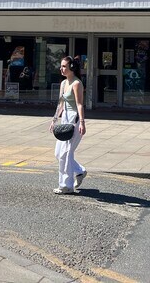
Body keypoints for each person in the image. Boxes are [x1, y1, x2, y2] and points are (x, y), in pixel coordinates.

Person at [49, 55, 87, 194]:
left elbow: (80, 104)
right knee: (58, 153)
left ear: (72, 68)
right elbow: (60, 103)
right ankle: (79, 171)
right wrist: (54, 120)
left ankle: (66, 186)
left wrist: (82, 123)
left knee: (66, 153)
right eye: (61, 66)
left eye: (64, 66)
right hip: (64, 118)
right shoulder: (64, 83)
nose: (61, 68)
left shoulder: (77, 84)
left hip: (74, 119)